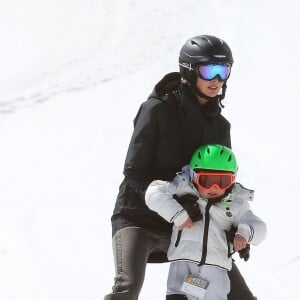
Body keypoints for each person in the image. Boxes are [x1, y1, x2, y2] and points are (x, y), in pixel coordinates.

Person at [104, 35, 256, 300]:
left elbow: (223, 185)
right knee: (127, 288)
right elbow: (134, 172)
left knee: (240, 296)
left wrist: (234, 230)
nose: (217, 80)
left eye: (223, 71)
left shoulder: (220, 127)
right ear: (188, 70)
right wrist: (174, 205)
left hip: (192, 225)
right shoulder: (157, 110)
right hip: (139, 216)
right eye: (209, 70)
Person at [145, 144, 267, 299]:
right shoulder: (184, 186)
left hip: (215, 270)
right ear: (194, 176)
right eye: (207, 180)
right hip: (184, 263)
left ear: (233, 180)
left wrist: (244, 233)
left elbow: (260, 227)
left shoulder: (237, 204)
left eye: (223, 181)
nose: (214, 187)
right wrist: (178, 215)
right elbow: (154, 192)